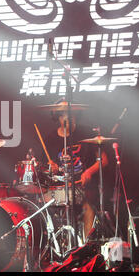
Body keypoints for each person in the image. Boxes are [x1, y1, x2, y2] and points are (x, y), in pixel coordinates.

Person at [44, 102, 108, 241]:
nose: (68, 118)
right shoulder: (49, 138)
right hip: (59, 187)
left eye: (71, 115)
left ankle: (86, 246)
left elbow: (103, 160)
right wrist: (50, 167)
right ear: (57, 117)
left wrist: (89, 172)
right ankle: (56, 246)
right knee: (46, 206)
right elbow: (44, 168)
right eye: (63, 116)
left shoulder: (87, 134)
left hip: (83, 186)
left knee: (88, 208)